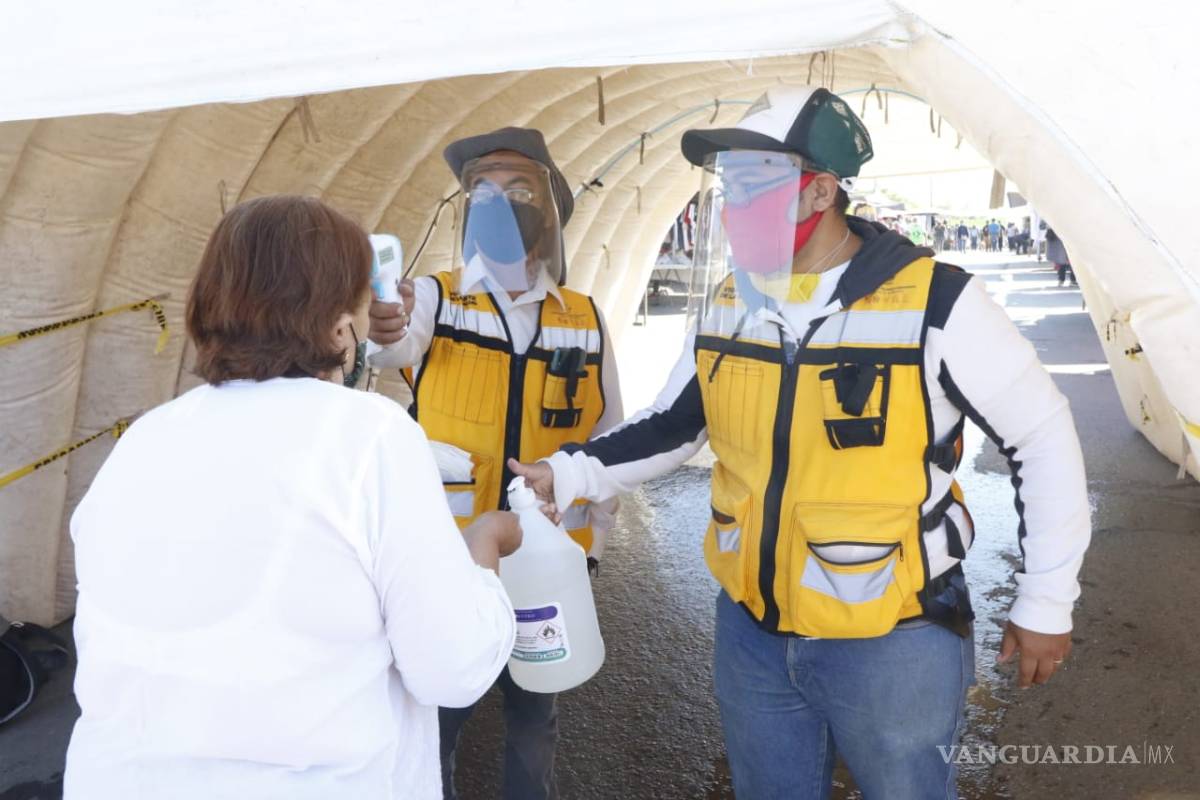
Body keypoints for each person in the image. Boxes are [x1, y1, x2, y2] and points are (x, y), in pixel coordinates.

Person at [511, 86, 1091, 799]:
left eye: (751, 183)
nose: (730, 205)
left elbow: (1044, 440)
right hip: (751, 633)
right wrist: (563, 473)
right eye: (727, 186)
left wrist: (1045, 602)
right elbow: (673, 424)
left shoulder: (937, 303)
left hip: (896, 638)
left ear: (819, 192)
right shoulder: (731, 301)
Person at [64, 196, 520, 800]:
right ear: (337, 326)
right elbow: (451, 667)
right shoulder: (372, 436)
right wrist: (483, 550)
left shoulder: (146, 437)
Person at [368, 127, 624, 800]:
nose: (498, 202)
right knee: (439, 717)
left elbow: (608, 436)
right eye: (482, 191)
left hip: (546, 565)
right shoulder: (435, 299)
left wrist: (592, 546)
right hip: (448, 561)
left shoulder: (586, 319)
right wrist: (382, 325)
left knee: (534, 714)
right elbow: (390, 343)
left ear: (548, 216)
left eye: (518, 190)